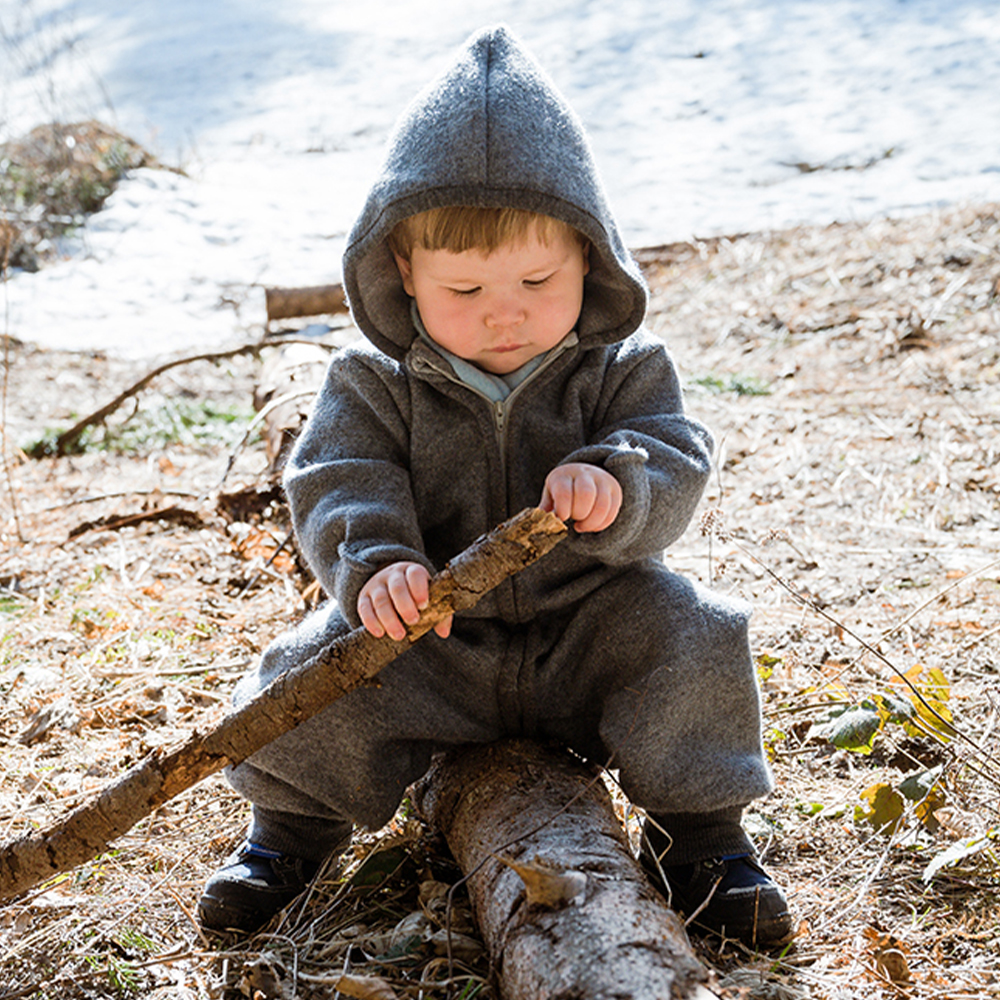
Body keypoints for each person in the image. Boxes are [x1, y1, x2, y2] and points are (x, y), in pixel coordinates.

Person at [197, 24, 792, 948]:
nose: (504, 312)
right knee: (311, 664)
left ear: (589, 256)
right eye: (465, 291)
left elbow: (677, 450)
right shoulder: (374, 379)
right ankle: (287, 835)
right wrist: (380, 565)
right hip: (438, 642)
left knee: (692, 628)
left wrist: (620, 484)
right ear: (403, 269)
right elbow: (337, 476)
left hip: (588, 634)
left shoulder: (620, 364)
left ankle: (707, 839)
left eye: (534, 278)